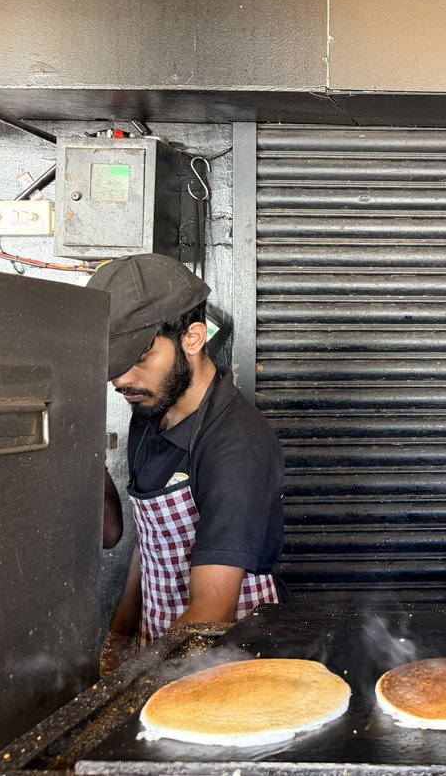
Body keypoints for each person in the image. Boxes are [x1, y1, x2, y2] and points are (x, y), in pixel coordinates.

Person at [88, 254, 284, 675]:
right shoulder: (152, 408)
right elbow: (150, 544)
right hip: (160, 640)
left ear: (193, 338)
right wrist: (120, 638)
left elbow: (213, 613)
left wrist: (131, 686)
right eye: (115, 364)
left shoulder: (236, 446)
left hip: (222, 659)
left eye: (139, 357)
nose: (122, 380)